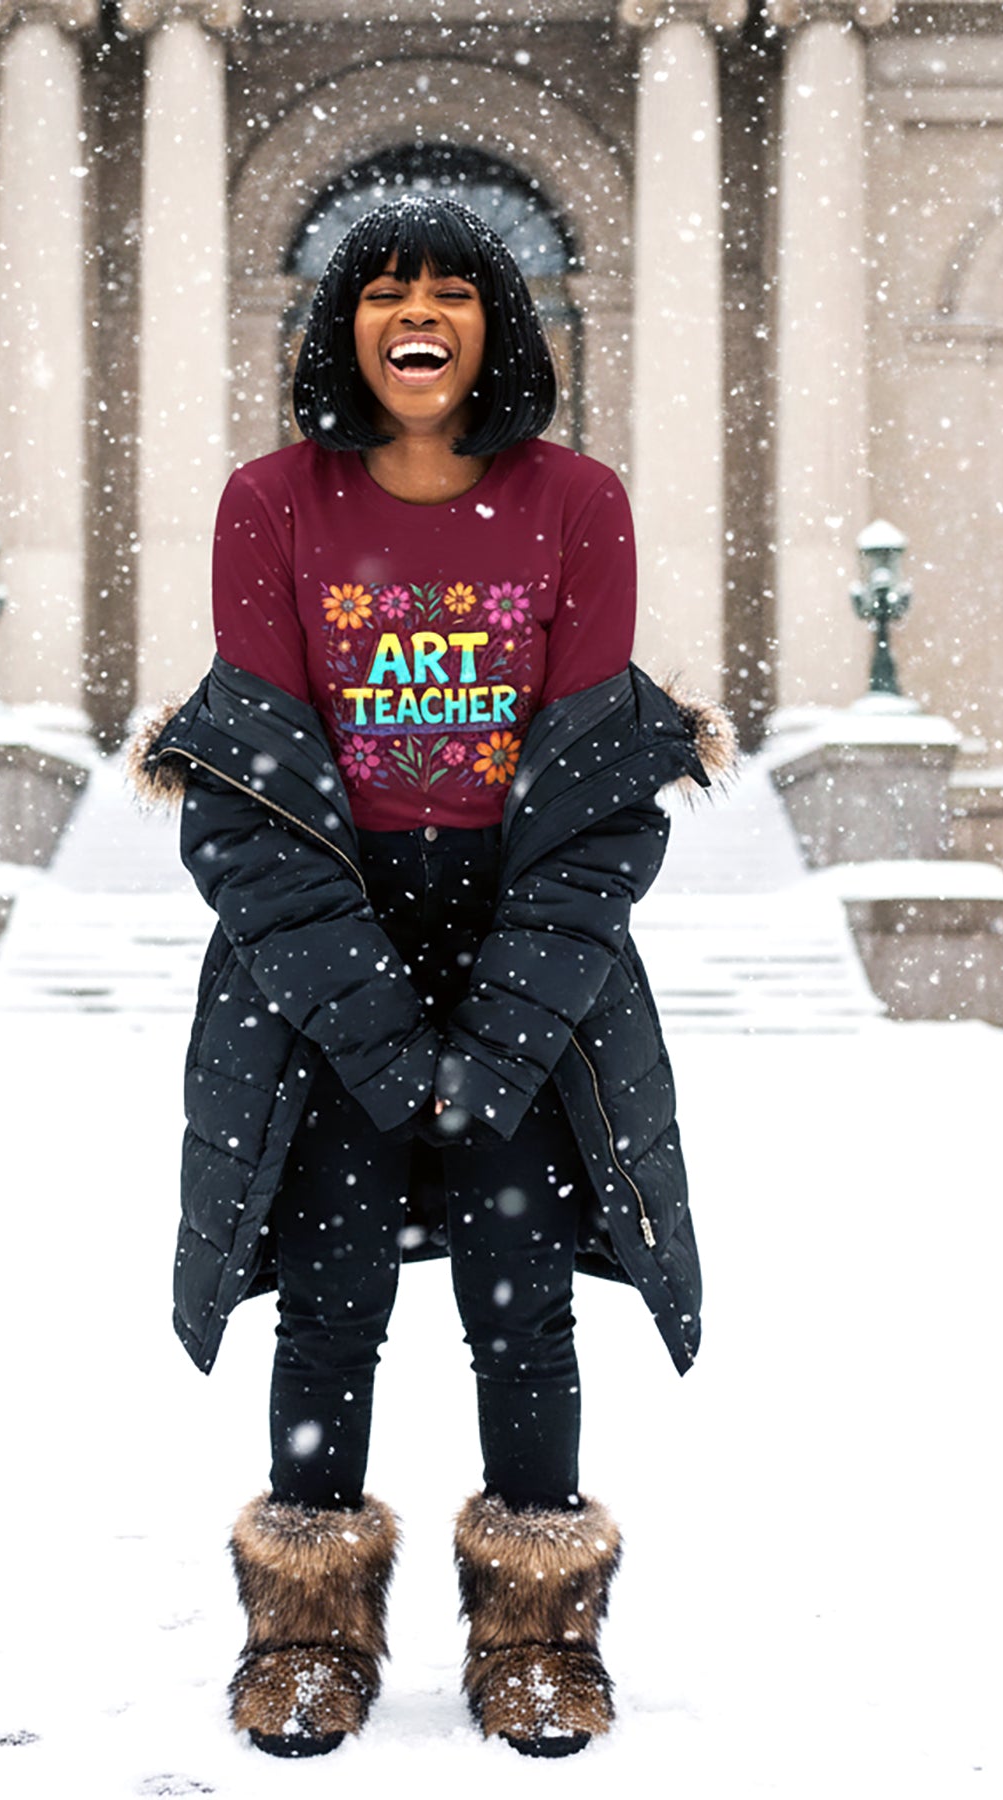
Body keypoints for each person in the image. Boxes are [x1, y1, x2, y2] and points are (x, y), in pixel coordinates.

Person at [131, 194, 733, 1759]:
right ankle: (308, 1636)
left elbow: (600, 791)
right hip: (325, 929)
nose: (419, 311)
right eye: (386, 286)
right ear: (344, 326)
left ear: (496, 328)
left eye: (453, 290)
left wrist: (507, 1026)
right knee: (325, 1306)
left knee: (523, 1303)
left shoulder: (576, 501)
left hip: (527, 920)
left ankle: (539, 1638)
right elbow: (253, 793)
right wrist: (386, 1037)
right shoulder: (272, 503)